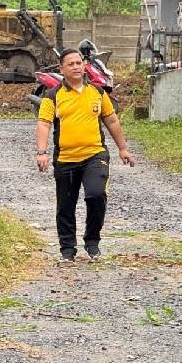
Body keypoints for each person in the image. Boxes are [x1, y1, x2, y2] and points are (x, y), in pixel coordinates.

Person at [35, 47, 134, 261]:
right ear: (62, 69)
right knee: (66, 205)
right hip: (66, 159)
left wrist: (123, 148)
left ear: (84, 65)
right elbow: (43, 124)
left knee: (96, 195)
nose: (75, 67)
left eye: (78, 63)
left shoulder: (97, 92)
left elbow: (112, 120)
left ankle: (92, 241)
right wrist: (41, 152)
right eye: (70, 64)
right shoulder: (52, 96)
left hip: (95, 154)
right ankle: (67, 248)